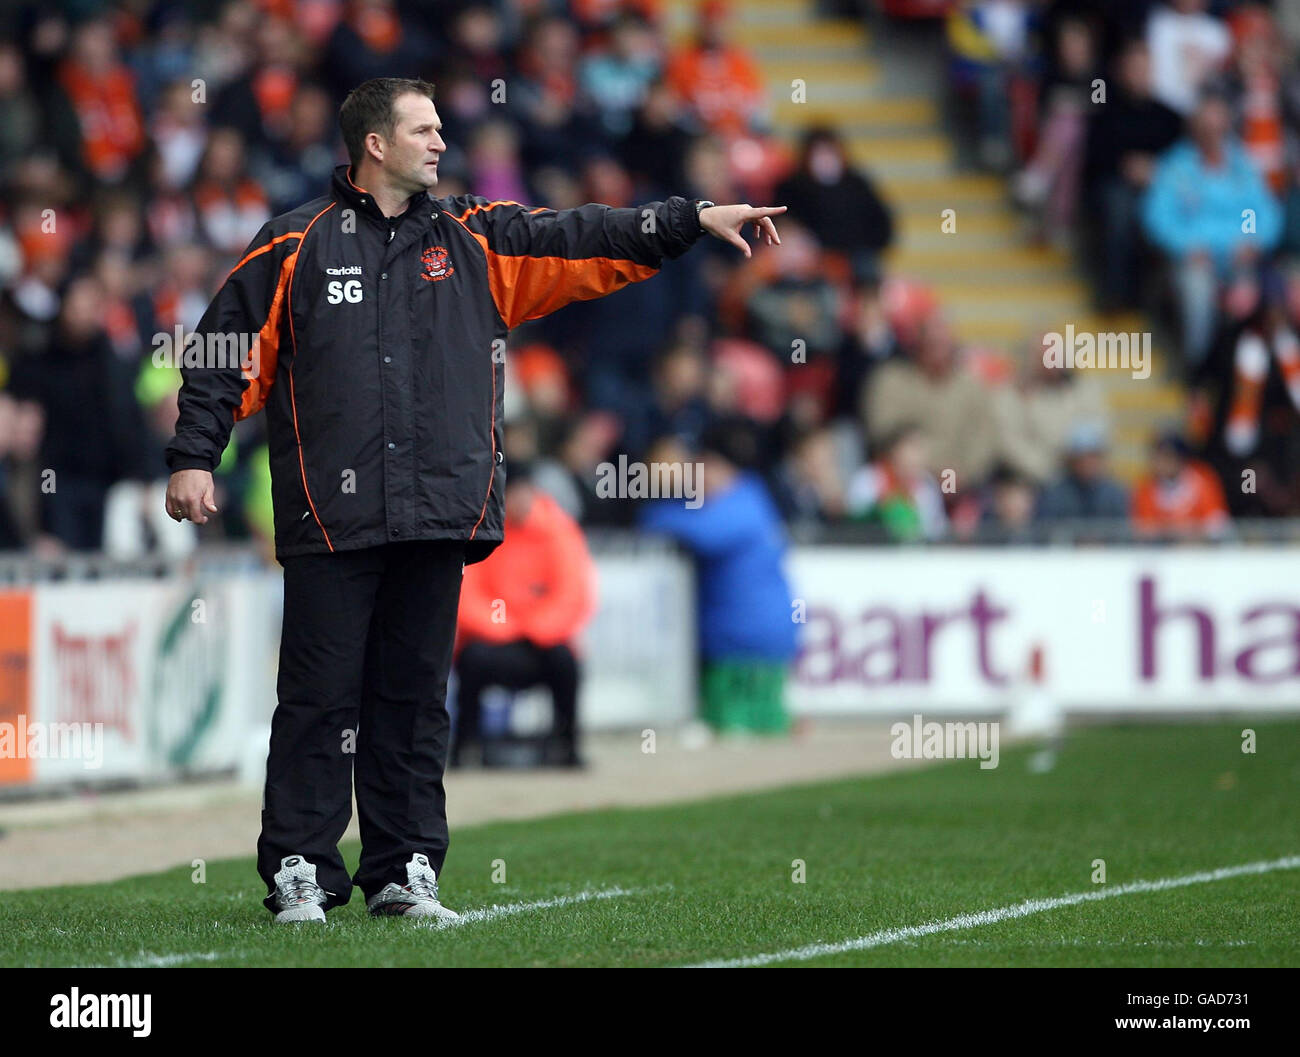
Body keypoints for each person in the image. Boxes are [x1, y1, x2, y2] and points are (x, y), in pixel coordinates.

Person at [162, 77, 784, 924]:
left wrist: (687, 220)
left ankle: (405, 868)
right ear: (373, 143)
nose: (441, 142)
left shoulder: (477, 238)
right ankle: (301, 871)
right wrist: (196, 456)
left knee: (414, 702)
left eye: (442, 128)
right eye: (423, 128)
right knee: (318, 700)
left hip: (436, 515)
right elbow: (222, 353)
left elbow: (581, 234)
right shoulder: (292, 244)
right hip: (327, 517)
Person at [640, 427, 799, 735]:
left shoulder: (743, 502)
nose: (700, 477)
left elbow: (701, 533)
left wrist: (655, 511)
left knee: (737, 726)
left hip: (748, 634)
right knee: (740, 727)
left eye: (705, 468)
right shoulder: (747, 499)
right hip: (749, 632)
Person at [452, 464, 597, 769]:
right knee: (472, 659)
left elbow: (573, 593)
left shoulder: (559, 530)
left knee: (565, 662)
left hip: (539, 641)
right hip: (494, 641)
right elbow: (467, 594)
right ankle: (464, 748)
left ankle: (567, 746)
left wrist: (534, 627)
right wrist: (506, 628)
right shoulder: (483, 532)